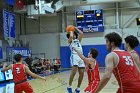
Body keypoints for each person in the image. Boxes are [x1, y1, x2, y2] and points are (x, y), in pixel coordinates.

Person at [67, 27, 85, 93]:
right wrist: (70, 30)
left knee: (82, 73)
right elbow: (71, 36)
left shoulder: (78, 40)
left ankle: (78, 88)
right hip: (74, 56)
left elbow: (81, 33)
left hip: (81, 56)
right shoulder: (69, 41)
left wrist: (75, 28)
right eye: (73, 34)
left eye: (75, 34)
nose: (74, 35)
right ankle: (69, 86)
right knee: (74, 72)